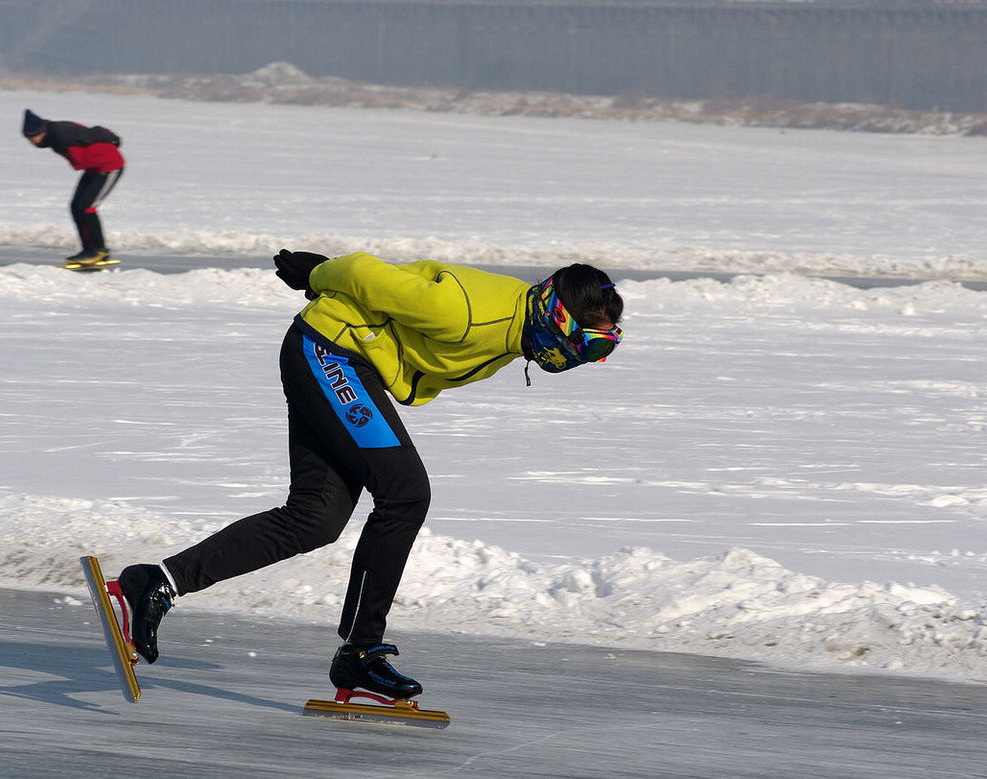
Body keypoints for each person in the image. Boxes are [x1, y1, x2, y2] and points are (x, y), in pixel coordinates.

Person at [115, 251, 624, 699]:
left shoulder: (514, 334)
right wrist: (318, 273)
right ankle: (360, 653)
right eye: (586, 345)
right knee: (406, 494)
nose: (582, 360)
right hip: (330, 352)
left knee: (313, 520)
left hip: (348, 361)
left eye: (599, 352)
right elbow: (364, 271)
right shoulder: (468, 312)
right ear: (557, 318)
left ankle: (155, 582)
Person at [21, 109, 124, 265]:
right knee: (76, 206)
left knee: (87, 208)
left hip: (110, 166)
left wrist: (114, 140)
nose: (31, 142)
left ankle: (99, 250)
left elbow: (93, 133)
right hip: (94, 169)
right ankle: (88, 250)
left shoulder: (63, 132)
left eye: (32, 137)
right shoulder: (53, 136)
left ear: (41, 131)